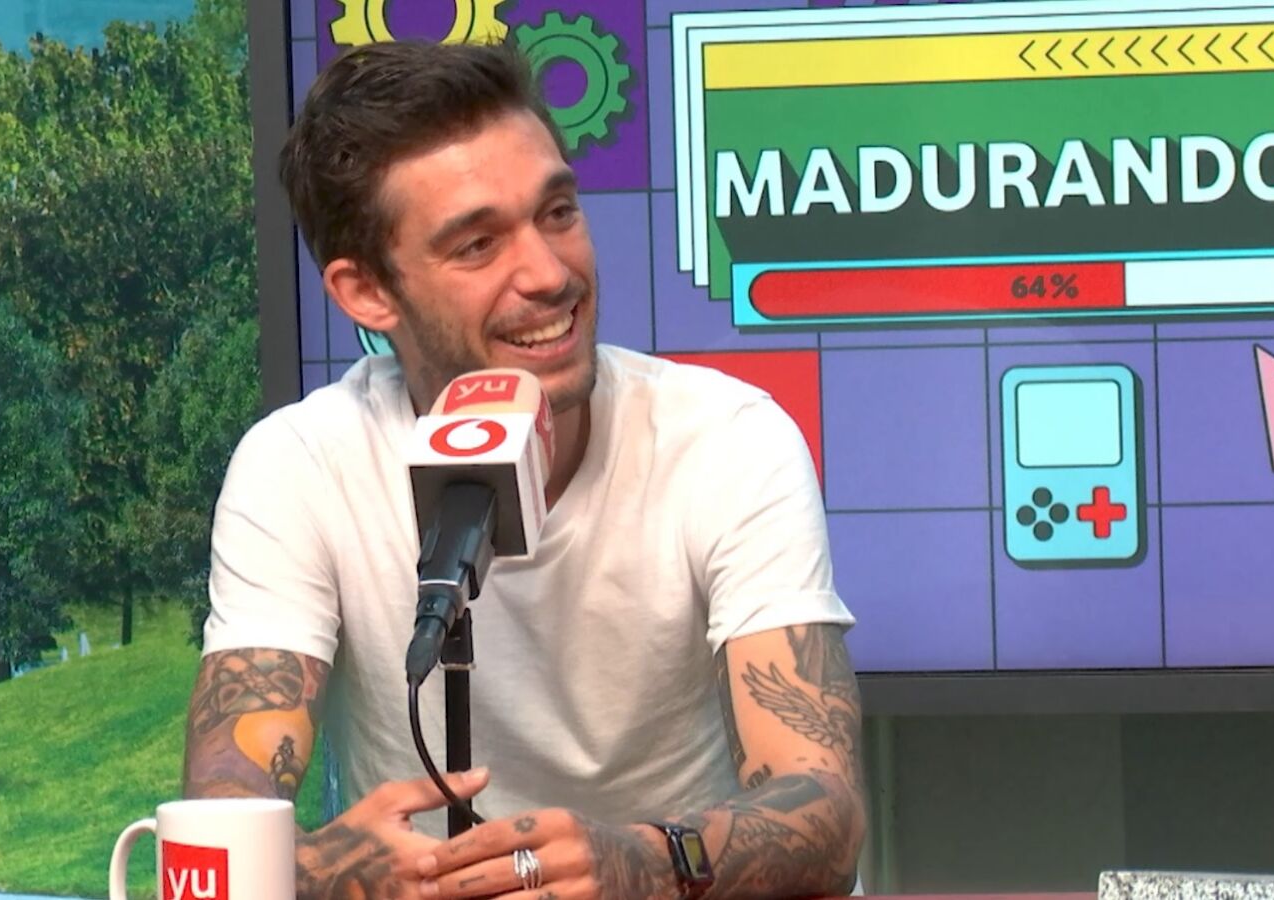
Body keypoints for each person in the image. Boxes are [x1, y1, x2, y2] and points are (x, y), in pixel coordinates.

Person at [183, 38, 866, 899]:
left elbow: (825, 814)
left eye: (558, 213)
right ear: (368, 293)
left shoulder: (727, 438)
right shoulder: (298, 465)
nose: (549, 274)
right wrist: (322, 874)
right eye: (477, 245)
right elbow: (223, 813)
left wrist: (642, 863)